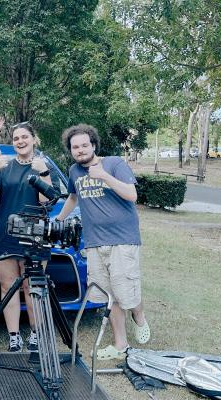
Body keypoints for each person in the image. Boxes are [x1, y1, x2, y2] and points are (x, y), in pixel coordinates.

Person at [55, 123, 150, 360]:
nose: (80, 150)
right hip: (95, 242)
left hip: (122, 239)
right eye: (75, 147)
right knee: (109, 295)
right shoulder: (74, 171)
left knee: (125, 291)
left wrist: (104, 176)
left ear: (94, 145)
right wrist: (58, 219)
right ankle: (121, 345)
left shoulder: (114, 163)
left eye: (84, 145)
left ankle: (138, 314)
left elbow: (132, 194)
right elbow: (73, 197)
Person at [0, 122, 56, 353]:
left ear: (34, 139)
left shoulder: (42, 165)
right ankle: (14, 336)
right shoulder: (5, 166)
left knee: (31, 285)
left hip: (34, 236)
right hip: (5, 234)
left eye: (25, 137)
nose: (20, 141)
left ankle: (36, 333)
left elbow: (48, 201)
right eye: (16, 138)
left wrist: (43, 172)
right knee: (7, 286)